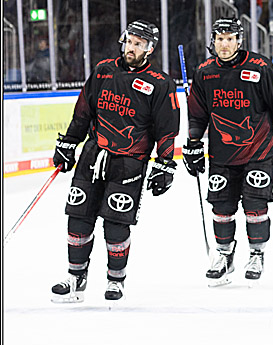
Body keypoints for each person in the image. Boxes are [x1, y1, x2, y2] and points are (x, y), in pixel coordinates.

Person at [50, 21, 178, 303]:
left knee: (116, 223)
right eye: (129, 41)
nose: (131, 48)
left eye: (138, 44)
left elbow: (167, 128)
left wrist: (165, 163)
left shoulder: (159, 82)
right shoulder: (103, 70)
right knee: (79, 216)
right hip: (93, 153)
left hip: (129, 161)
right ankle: (75, 277)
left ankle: (115, 280)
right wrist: (69, 143)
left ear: (150, 48)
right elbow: (83, 111)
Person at [183, 18, 273, 285]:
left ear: (239, 40)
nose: (224, 44)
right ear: (213, 41)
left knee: (255, 204)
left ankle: (256, 254)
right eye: (219, 39)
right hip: (222, 154)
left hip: (259, 150)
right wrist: (193, 144)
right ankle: (224, 256)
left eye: (230, 39)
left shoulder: (259, 66)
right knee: (221, 207)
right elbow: (197, 115)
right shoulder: (205, 72)